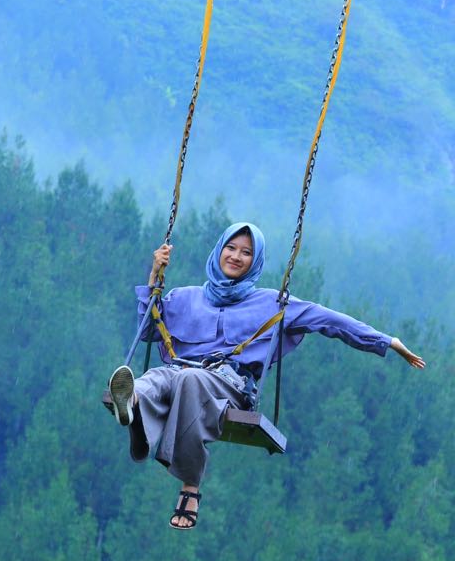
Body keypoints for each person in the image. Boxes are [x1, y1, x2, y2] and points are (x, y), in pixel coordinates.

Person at [108, 221, 425, 530]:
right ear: (218, 251)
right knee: (154, 378)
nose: (235, 256)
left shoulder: (273, 303)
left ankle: (190, 487)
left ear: (254, 261)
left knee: (191, 381)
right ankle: (133, 404)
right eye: (230, 248)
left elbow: (332, 322)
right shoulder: (185, 297)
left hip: (227, 384)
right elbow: (148, 330)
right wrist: (154, 276)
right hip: (180, 370)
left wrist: (387, 341)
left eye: (245, 252)